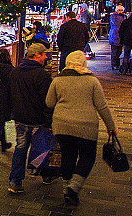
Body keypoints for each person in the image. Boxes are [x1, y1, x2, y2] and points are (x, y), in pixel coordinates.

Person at [45, 51, 116, 205]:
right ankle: (73, 188)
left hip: (62, 125)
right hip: (86, 126)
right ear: (84, 63)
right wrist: (111, 126)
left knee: (68, 155)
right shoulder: (92, 81)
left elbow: (49, 103)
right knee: (87, 157)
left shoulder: (58, 80)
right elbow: (102, 106)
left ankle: (67, 189)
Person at [7, 43, 56, 194]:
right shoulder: (42, 75)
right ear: (36, 56)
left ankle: (15, 181)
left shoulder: (15, 72)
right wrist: (49, 121)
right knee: (42, 148)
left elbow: (10, 95)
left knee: (20, 149)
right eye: (44, 55)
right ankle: (46, 175)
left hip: (20, 118)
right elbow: (47, 101)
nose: (46, 57)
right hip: (37, 120)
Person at [107, 5, 127, 70]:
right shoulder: (114, 16)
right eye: (119, 10)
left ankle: (117, 64)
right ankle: (114, 64)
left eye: (121, 10)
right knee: (114, 52)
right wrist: (120, 17)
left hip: (121, 36)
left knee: (119, 52)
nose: (120, 11)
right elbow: (117, 23)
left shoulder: (124, 16)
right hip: (114, 36)